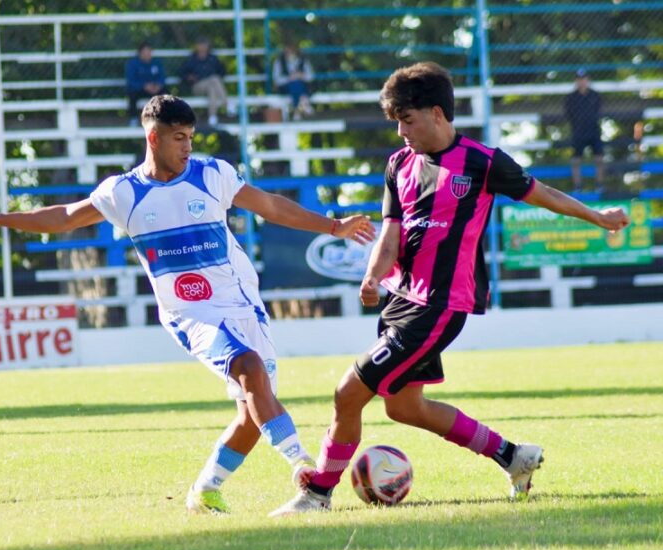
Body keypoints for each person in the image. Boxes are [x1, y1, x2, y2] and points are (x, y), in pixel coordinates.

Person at [0, 95, 375, 515]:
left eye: (191, 137)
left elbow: (269, 205)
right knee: (247, 369)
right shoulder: (123, 192)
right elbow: (63, 216)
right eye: (179, 138)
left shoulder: (212, 174)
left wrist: (333, 225)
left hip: (243, 304)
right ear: (153, 138)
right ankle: (301, 464)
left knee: (253, 412)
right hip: (190, 314)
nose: (188, 146)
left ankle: (205, 491)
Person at [270, 62, 630, 516]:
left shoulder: (482, 162)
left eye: (407, 119)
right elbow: (391, 233)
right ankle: (512, 456)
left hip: (439, 305)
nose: (401, 131)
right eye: (397, 122)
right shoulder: (399, 164)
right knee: (404, 407)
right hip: (402, 300)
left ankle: (317, 493)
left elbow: (545, 195)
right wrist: (374, 274)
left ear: (436, 113)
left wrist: (598, 217)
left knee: (348, 393)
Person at [564, 69, 605, 192]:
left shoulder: (595, 95)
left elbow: (598, 112)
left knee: (599, 158)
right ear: (576, 81)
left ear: (588, 80)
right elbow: (569, 115)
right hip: (578, 132)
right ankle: (578, 186)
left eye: (584, 79)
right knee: (576, 160)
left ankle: (600, 185)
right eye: (579, 79)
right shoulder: (571, 98)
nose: (582, 82)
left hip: (593, 130)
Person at [180, 38, 229, 128]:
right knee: (214, 79)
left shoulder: (212, 58)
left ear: (208, 46)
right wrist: (190, 77)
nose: (202, 47)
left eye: (204, 44)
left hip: (212, 86)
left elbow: (222, 72)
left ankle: (212, 117)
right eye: (200, 44)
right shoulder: (192, 59)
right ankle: (227, 105)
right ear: (196, 46)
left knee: (212, 87)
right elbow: (182, 74)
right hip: (197, 86)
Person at [125, 41, 168, 126]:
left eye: (149, 52)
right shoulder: (132, 64)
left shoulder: (157, 62)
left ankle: (165, 119)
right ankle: (133, 119)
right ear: (140, 53)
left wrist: (158, 85)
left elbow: (162, 77)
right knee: (131, 94)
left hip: (155, 89)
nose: (147, 54)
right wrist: (144, 86)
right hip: (140, 90)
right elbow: (131, 81)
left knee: (166, 94)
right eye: (145, 52)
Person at [272, 42, 314, 120]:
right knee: (295, 84)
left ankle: (297, 111)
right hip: (286, 88)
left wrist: (301, 75)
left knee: (297, 83)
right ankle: (304, 105)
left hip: (302, 87)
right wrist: (289, 78)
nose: (290, 53)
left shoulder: (303, 60)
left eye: (292, 50)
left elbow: (310, 77)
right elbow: (277, 80)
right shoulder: (279, 62)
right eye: (287, 50)